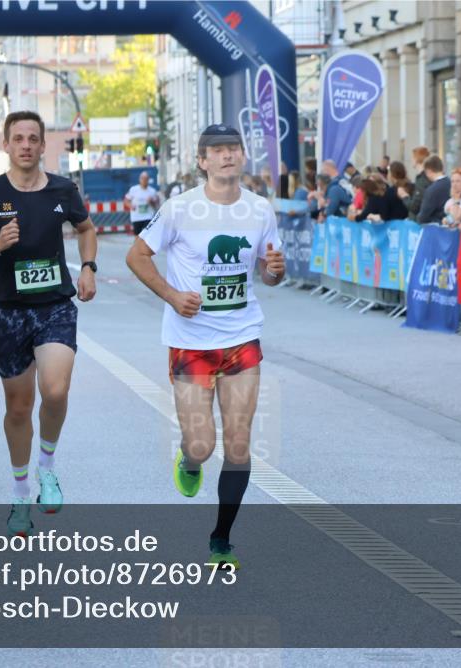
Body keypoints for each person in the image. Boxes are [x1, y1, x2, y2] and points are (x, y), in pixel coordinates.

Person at [125, 123, 284, 570]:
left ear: (242, 156)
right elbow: (136, 256)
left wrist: (275, 270)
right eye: (218, 151)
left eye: (234, 148)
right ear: (202, 160)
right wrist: (173, 297)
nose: (227, 156)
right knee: (202, 445)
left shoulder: (259, 210)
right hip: (190, 344)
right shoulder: (180, 209)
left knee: (238, 445)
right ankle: (190, 461)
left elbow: (271, 274)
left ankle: (221, 540)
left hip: (241, 339)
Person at [0, 110, 98, 537]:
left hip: (55, 305)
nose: (25, 145)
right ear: (6, 144)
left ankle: (48, 469)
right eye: (17, 138)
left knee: (55, 389)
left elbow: (86, 228)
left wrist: (88, 266)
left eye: (32, 138)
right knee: (18, 408)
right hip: (9, 312)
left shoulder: (62, 189)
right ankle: (20, 494)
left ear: (41, 146)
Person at [417, 155, 451, 224]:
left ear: (428, 171)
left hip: (438, 229)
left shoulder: (432, 190)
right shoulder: (452, 183)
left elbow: (423, 217)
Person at [125, 170, 160, 235]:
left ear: (148, 180)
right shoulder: (134, 189)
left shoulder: (152, 191)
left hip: (148, 216)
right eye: (143, 178)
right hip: (136, 217)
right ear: (140, 179)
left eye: (146, 179)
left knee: (147, 235)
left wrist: (151, 201)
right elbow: (126, 201)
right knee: (137, 237)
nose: (144, 180)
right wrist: (131, 206)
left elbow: (157, 205)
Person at [406, 146, 431, 219]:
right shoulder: (424, 177)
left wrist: (404, 197)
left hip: (419, 222)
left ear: (416, 159)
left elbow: (415, 206)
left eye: (412, 157)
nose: (411, 160)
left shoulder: (422, 179)